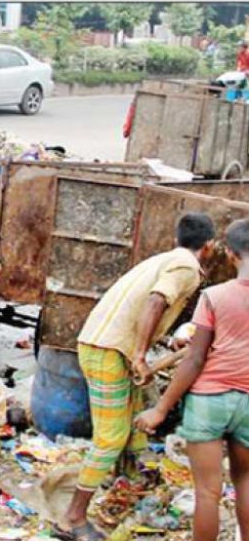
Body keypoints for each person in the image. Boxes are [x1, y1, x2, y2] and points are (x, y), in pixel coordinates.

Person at [56, 212, 217, 541]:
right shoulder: (186, 267)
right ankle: (71, 519)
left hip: (105, 345)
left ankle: (128, 485)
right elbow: (156, 300)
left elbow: (151, 305)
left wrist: (169, 342)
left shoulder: (167, 259)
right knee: (111, 437)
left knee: (131, 422)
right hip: (109, 351)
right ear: (210, 246)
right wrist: (142, 355)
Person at [136, 219, 249, 541]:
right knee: (245, 482)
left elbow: (195, 359)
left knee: (208, 493)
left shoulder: (214, 296)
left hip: (209, 400)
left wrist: (160, 409)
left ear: (230, 255)